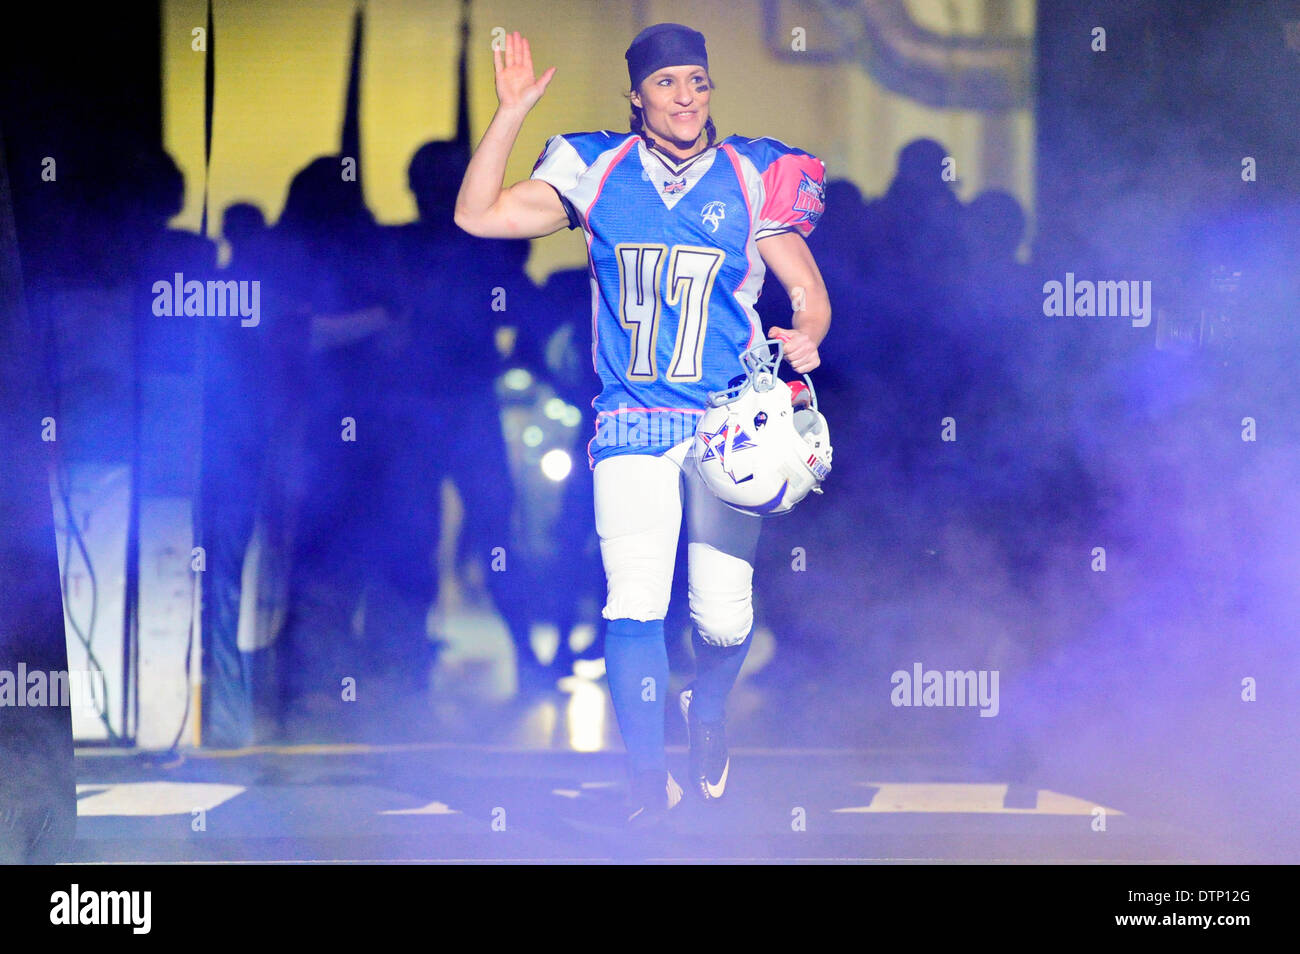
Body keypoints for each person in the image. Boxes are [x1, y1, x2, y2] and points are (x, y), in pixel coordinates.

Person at [455, 24, 830, 827]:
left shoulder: (750, 173)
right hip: (631, 420)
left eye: (697, 79)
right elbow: (478, 214)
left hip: (727, 423)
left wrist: (809, 329)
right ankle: (643, 779)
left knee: (722, 618)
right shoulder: (596, 167)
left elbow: (809, 290)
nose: (687, 95)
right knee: (633, 601)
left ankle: (708, 713)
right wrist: (512, 111)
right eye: (667, 83)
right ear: (635, 94)